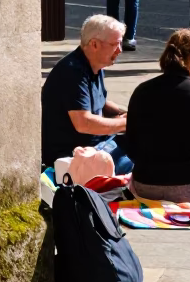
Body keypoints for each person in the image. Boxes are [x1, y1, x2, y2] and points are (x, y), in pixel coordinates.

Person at [120, 28, 190, 207]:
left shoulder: (141, 91)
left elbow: (131, 147)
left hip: (145, 186)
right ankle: (182, 202)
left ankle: (164, 201)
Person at [41, 14, 133, 174]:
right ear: (94, 44)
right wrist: (127, 123)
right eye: (115, 44)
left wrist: (124, 113)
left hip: (97, 145)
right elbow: (84, 123)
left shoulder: (95, 65)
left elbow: (100, 102)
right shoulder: (72, 72)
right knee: (142, 166)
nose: (120, 50)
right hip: (74, 156)